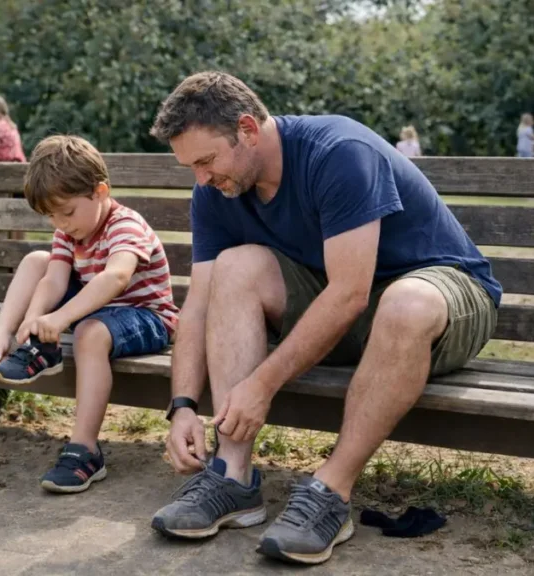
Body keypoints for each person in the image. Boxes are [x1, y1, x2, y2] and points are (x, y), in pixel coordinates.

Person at [147, 72, 501, 564]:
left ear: (248, 129)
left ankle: (331, 493)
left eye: (206, 161)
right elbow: (199, 302)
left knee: (405, 302)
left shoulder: (338, 152)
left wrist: (262, 384)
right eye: (191, 166)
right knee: (234, 267)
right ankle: (232, 476)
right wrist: (182, 404)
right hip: (350, 313)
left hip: (443, 298)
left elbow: (350, 294)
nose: (201, 179)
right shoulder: (215, 191)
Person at [0, 135, 179, 494]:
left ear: (100, 191)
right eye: (51, 216)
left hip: (147, 316)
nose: (60, 224)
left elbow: (117, 276)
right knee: (37, 261)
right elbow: (54, 280)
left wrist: (58, 320)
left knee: (89, 332)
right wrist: (33, 319)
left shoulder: (126, 224)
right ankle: (18, 341)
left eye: (67, 212)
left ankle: (85, 449)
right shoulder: (67, 231)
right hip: (99, 313)